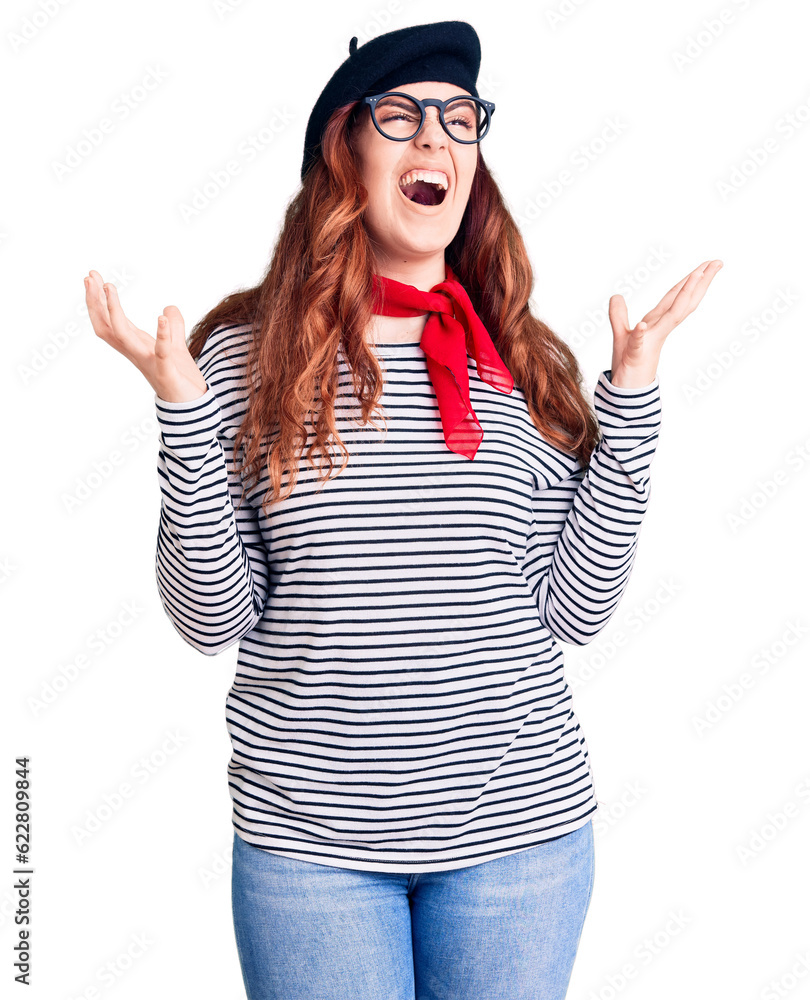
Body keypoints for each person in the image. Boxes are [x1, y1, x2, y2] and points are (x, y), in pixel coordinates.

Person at [83, 19, 722, 1000]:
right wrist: (179, 413)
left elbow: (574, 612)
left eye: (459, 117)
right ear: (345, 154)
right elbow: (212, 619)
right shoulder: (243, 360)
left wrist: (631, 398)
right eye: (401, 115)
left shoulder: (526, 358)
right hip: (311, 848)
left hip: (521, 843)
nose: (436, 138)